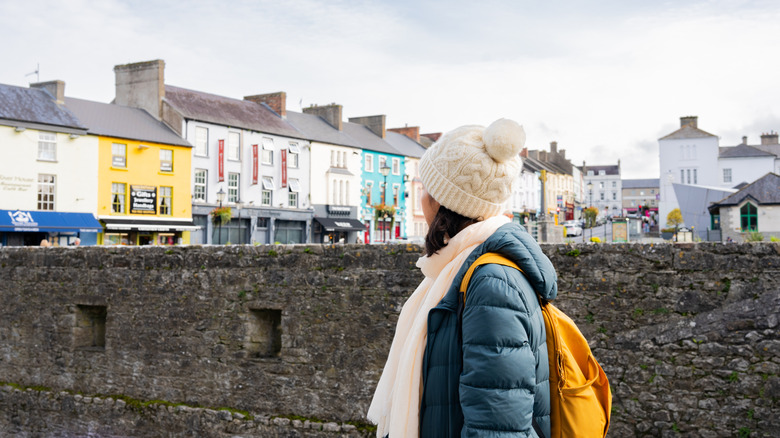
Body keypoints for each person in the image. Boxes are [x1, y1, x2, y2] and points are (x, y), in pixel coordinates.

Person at [368, 119, 558, 437]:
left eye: (426, 187)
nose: (421, 197)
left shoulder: (492, 284)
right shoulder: (460, 269)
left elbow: (500, 428)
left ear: (442, 201)